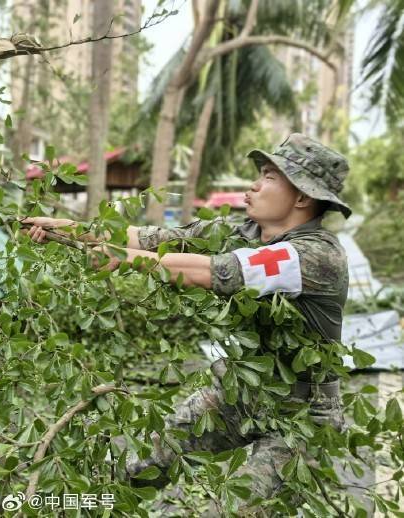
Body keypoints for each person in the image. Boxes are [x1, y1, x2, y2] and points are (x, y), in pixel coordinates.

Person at [24, 133, 350, 511]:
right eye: (259, 173)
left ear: (302, 197)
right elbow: (155, 238)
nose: (254, 185)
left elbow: (216, 272)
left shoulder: (318, 256)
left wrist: (125, 259)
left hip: (303, 417)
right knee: (143, 464)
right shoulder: (239, 232)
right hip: (243, 390)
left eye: (270, 177)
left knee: (231, 508)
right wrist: (65, 228)